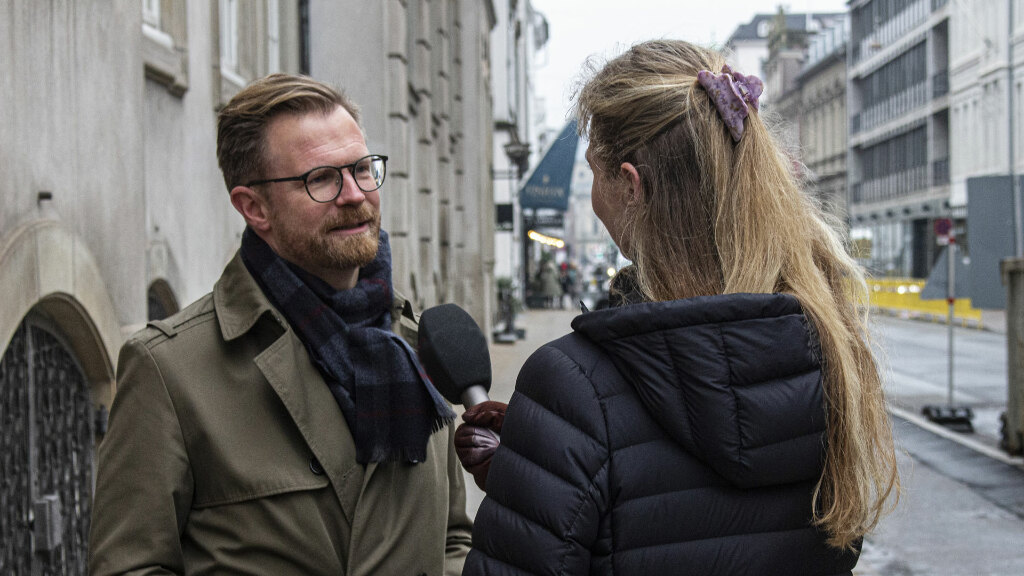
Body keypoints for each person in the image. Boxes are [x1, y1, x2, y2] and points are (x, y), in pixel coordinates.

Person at [457, 40, 899, 575]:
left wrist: (543, 471)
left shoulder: (572, 383)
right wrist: (538, 465)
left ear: (631, 186)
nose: (593, 195)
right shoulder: (825, 348)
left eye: (594, 173)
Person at [89, 73, 472, 575]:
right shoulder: (169, 371)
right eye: (321, 179)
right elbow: (129, 566)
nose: (355, 194)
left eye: (361, 169)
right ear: (254, 207)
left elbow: (453, 537)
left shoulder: (416, 346)